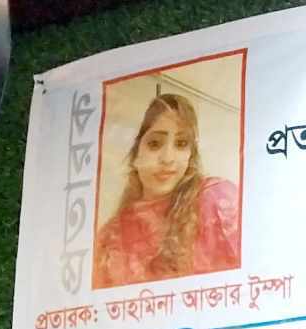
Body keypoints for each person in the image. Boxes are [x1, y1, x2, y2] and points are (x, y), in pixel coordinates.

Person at [92, 92, 241, 289]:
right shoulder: (109, 238)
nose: (168, 158)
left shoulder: (218, 201)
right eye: (154, 144)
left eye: (181, 144)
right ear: (135, 153)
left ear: (190, 154)